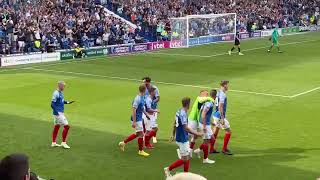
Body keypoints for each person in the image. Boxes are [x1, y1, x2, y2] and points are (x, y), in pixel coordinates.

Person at [164, 97, 203, 178]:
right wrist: (197, 133)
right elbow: (186, 128)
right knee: (184, 159)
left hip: (181, 137)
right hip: (182, 139)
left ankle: (186, 175)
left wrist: (172, 134)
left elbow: (175, 123)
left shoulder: (179, 111)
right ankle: (168, 169)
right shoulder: (183, 114)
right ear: (188, 104)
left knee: (187, 157)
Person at [119, 84, 151, 157]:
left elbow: (142, 108)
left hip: (139, 118)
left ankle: (123, 143)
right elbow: (133, 110)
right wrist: (134, 122)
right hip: (136, 119)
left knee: (137, 134)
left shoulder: (142, 97)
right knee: (141, 134)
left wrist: (146, 114)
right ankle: (141, 151)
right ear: (144, 90)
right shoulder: (138, 99)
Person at [187, 90, 215, 158]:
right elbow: (203, 111)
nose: (207, 95)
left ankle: (191, 151)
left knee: (195, 136)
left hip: (198, 120)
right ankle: (184, 151)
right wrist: (211, 98)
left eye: (208, 94)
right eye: (206, 93)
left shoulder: (204, 101)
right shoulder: (199, 98)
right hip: (193, 119)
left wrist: (210, 122)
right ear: (201, 94)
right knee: (188, 135)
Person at [193, 90, 217, 164]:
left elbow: (206, 115)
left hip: (206, 124)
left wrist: (211, 122)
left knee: (212, 139)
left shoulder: (209, 102)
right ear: (215, 96)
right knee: (206, 141)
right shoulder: (209, 103)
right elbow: (203, 114)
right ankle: (205, 159)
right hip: (204, 124)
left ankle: (198, 150)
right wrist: (204, 126)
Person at [51, 81, 75, 149]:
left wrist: (68, 102)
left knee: (57, 126)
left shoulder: (60, 93)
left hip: (58, 113)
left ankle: (53, 143)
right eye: (63, 86)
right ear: (60, 86)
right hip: (58, 113)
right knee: (67, 126)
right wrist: (57, 112)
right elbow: (52, 104)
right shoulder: (56, 93)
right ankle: (63, 143)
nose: (64, 87)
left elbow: (61, 101)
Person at [212, 81, 233, 155]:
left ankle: (211, 148)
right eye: (227, 85)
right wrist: (222, 118)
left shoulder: (218, 93)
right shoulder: (223, 95)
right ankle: (224, 149)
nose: (228, 86)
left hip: (215, 114)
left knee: (216, 131)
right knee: (228, 131)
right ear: (224, 85)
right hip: (219, 116)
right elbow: (221, 106)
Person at [142, 77, 160, 143]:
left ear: (148, 82)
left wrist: (152, 102)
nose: (143, 83)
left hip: (153, 109)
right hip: (145, 109)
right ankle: (145, 136)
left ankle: (154, 137)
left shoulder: (154, 88)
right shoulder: (143, 88)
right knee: (144, 122)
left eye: (144, 82)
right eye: (143, 82)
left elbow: (158, 98)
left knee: (153, 124)